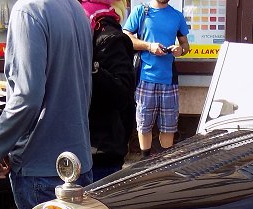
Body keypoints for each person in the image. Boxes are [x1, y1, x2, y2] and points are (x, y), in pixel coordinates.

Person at [0, 0, 93, 209]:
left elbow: (27, 97)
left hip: (40, 167)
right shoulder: (76, 10)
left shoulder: (28, 10)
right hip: (78, 163)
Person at [123, 0, 189, 158]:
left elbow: (186, 44)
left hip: (169, 80)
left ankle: (164, 164)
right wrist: (148, 46)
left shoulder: (176, 16)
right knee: (144, 125)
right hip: (145, 78)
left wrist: (180, 50)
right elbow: (125, 38)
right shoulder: (141, 11)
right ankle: (144, 162)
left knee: (169, 127)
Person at [80, 0, 135, 180]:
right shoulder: (77, 29)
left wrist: (93, 70)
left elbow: (122, 94)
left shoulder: (109, 36)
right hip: (78, 148)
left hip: (100, 151)